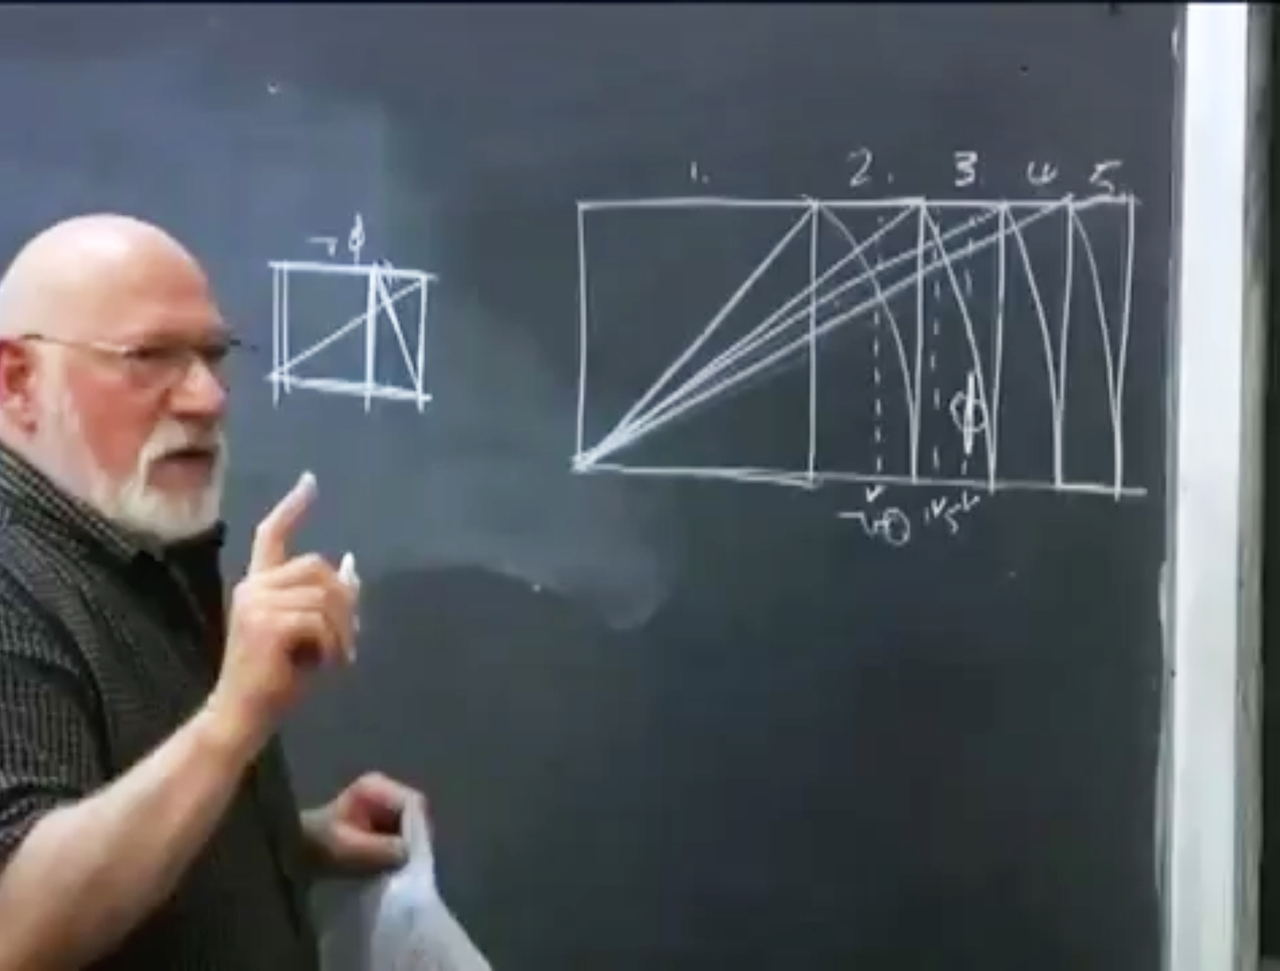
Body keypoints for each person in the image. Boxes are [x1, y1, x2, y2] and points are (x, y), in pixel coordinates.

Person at [0, 214, 424, 970]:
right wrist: (235, 717)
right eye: (149, 357)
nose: (206, 398)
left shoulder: (136, 548)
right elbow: (16, 924)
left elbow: (107, 804)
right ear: (17, 382)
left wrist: (287, 841)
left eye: (212, 355)